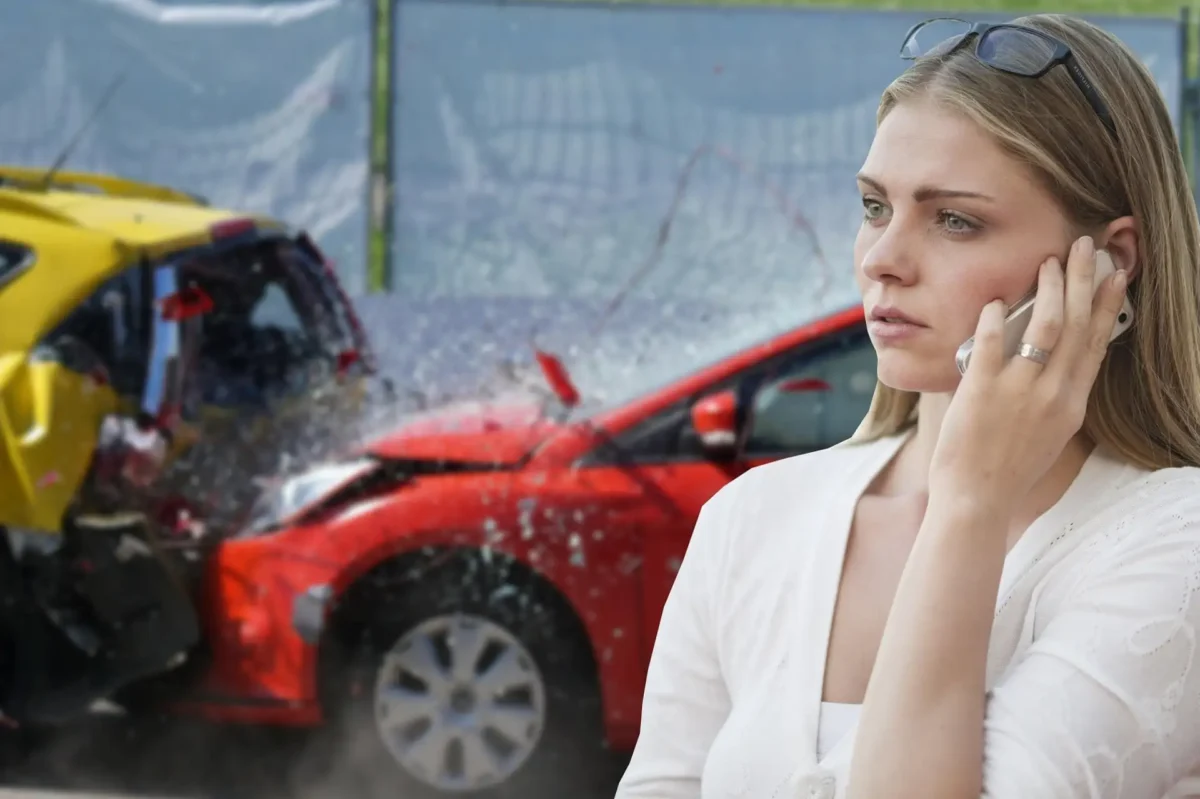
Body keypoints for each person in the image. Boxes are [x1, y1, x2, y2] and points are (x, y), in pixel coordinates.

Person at [615, 13, 1200, 799]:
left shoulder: (1174, 539)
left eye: (955, 219)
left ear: (1110, 264)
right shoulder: (750, 519)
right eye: (873, 206)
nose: (881, 259)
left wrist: (970, 503)